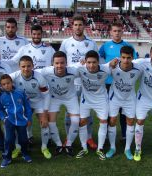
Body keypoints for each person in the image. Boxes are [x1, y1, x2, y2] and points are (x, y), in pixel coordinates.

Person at [59, 14, 98, 149]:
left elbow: (96, 63)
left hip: (87, 83)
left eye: (80, 24)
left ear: (84, 26)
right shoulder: (65, 43)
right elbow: (61, 60)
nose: (77, 27)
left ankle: (89, 138)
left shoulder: (91, 43)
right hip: (71, 83)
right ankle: (68, 138)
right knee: (69, 113)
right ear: (72, 26)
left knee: (88, 113)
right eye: (75, 24)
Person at [99, 22, 137, 143]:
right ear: (110, 32)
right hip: (108, 82)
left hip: (124, 83)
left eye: (119, 31)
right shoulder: (105, 45)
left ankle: (125, 134)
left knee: (123, 111)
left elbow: (134, 62)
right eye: (114, 31)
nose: (117, 33)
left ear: (122, 31)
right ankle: (106, 134)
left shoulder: (128, 46)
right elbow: (99, 60)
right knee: (109, 110)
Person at [10, 56, 51, 159]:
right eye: (23, 66)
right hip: (23, 103)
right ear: (19, 67)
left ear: (33, 66)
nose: (26, 69)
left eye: (28, 66)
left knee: (44, 123)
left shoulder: (39, 77)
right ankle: (18, 147)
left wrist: (45, 114)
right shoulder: (15, 76)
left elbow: (46, 95)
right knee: (18, 124)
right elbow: (0, 80)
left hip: (38, 102)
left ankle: (44, 147)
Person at [75, 50, 113, 160]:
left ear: (98, 62)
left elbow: (117, 64)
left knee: (103, 121)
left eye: (94, 62)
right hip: (85, 100)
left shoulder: (105, 69)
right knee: (82, 122)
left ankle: (100, 149)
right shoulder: (80, 68)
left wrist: (116, 61)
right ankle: (83, 148)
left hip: (101, 100)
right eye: (89, 62)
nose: (91, 65)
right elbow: (66, 69)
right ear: (85, 62)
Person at [41, 51, 80, 157]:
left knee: (76, 121)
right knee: (51, 123)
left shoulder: (74, 71)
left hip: (71, 98)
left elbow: (89, 71)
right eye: (57, 63)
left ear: (66, 63)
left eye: (62, 63)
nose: (59, 66)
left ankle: (68, 144)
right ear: (52, 63)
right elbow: (30, 72)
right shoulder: (45, 71)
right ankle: (58, 144)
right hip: (54, 98)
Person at [106, 46, 142, 160]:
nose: (126, 60)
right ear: (120, 57)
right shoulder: (112, 66)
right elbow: (97, 69)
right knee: (112, 120)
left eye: (128, 58)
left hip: (130, 99)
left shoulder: (139, 68)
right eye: (123, 57)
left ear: (133, 57)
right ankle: (112, 147)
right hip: (114, 98)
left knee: (130, 121)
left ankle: (127, 149)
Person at [0, 74, 32, 168]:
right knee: (8, 140)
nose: (6, 86)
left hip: (22, 120)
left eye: (8, 83)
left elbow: (28, 107)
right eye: (3, 84)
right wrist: (4, 118)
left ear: (12, 83)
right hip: (9, 121)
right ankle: (7, 158)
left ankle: (25, 153)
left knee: (24, 139)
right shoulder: (1, 97)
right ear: (1, 86)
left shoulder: (20, 92)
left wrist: (29, 118)